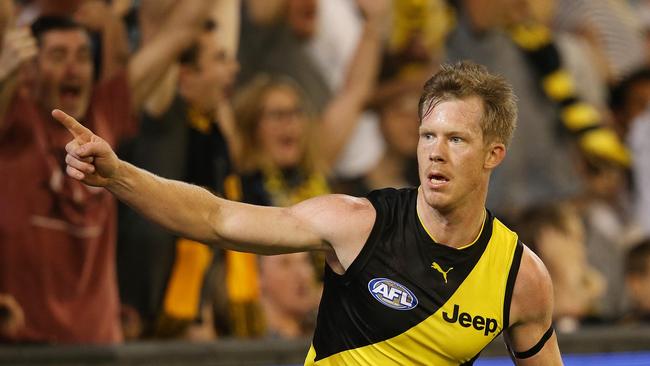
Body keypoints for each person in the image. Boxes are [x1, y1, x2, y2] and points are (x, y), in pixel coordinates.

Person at [54, 61, 562, 364]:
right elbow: (217, 219)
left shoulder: (521, 277)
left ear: (494, 153)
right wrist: (120, 175)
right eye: (428, 135)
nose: (435, 152)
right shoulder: (359, 224)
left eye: (456, 140)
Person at [0, 0, 214, 343]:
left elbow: (183, 30)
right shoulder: (13, 119)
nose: (74, 69)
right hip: (26, 347)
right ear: (29, 69)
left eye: (83, 56)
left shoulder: (104, 112)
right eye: (58, 56)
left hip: (101, 346)